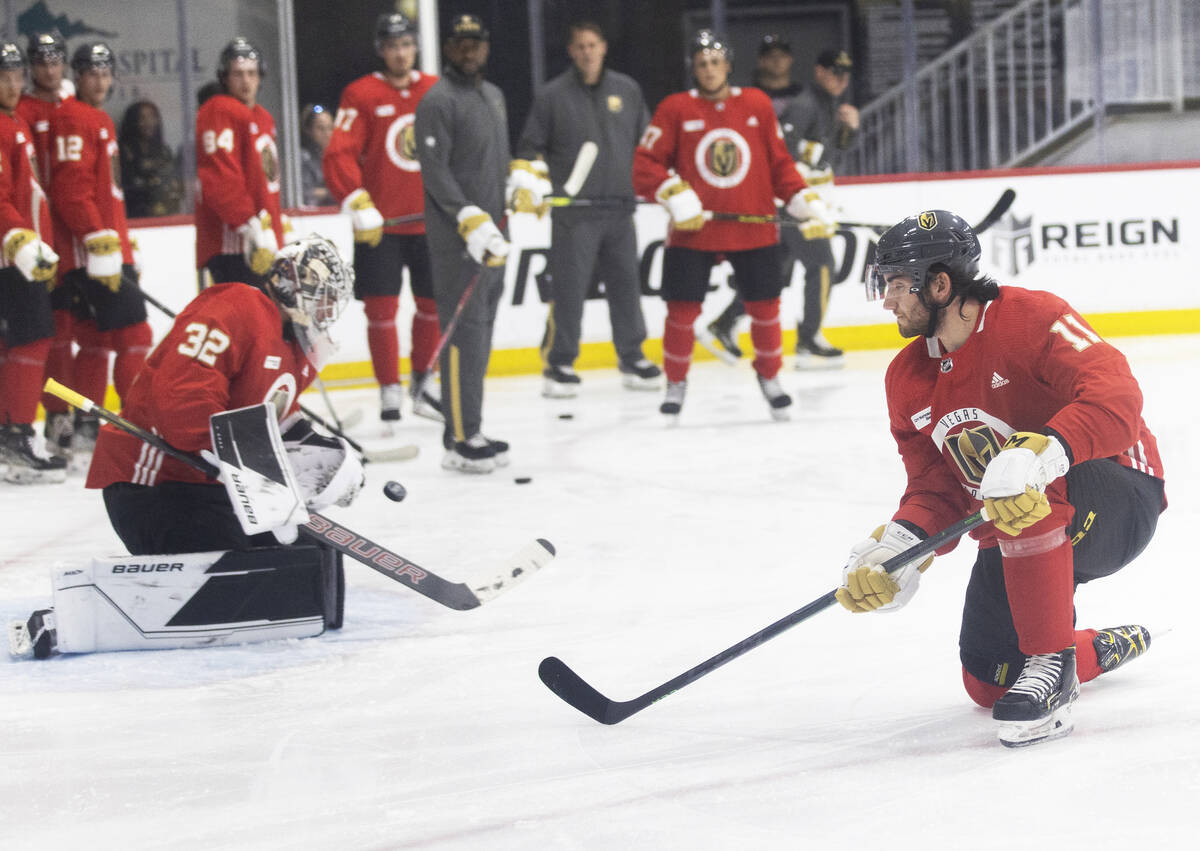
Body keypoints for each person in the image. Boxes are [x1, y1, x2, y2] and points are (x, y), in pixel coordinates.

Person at [835, 210, 1164, 747]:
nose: (888, 301)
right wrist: (900, 546)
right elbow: (937, 487)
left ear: (940, 285)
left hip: (1118, 498)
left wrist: (1045, 451)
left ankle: (1052, 667)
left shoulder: (1033, 318)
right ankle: (1089, 650)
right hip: (1016, 520)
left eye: (896, 285)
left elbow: (1117, 399)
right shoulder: (905, 378)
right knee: (990, 679)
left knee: (1017, 472)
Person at [10, 236, 358, 659]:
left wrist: (322, 460)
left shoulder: (296, 348)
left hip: (210, 490)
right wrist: (251, 473)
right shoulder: (238, 306)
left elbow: (276, 420)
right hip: (155, 489)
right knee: (249, 576)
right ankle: (78, 615)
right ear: (290, 284)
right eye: (322, 295)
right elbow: (182, 403)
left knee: (309, 562)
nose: (327, 309)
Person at [631, 30, 833, 420]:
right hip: (694, 231)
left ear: (727, 65)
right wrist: (672, 192)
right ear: (694, 69)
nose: (709, 69)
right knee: (681, 312)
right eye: (701, 63)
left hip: (753, 227)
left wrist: (803, 199)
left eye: (715, 62)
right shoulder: (675, 108)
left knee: (765, 308)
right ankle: (675, 383)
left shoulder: (756, 103)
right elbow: (645, 165)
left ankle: (770, 378)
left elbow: (779, 164)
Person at [515, 20, 660, 399]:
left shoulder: (627, 90)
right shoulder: (552, 96)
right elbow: (530, 148)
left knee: (626, 286)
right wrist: (536, 182)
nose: (587, 52)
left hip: (620, 209)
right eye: (580, 46)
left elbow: (647, 146)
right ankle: (559, 361)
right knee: (569, 290)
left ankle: (632, 356)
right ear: (571, 51)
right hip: (574, 214)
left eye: (592, 45)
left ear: (604, 47)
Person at [705, 48, 859, 369]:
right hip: (797, 204)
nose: (841, 79)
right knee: (822, 265)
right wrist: (810, 160)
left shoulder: (828, 104)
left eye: (845, 74)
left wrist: (850, 129)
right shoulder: (804, 105)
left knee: (773, 273)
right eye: (835, 72)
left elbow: (833, 150)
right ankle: (809, 340)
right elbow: (781, 150)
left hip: (806, 202)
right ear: (819, 71)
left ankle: (724, 323)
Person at [323, 12, 442, 424]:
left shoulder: (435, 90)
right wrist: (357, 201)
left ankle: (424, 379)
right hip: (381, 227)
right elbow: (338, 152)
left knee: (433, 304)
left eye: (406, 45)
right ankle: (389, 386)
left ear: (416, 48)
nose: (400, 54)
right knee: (381, 309)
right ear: (381, 51)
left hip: (430, 221)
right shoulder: (361, 94)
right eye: (392, 47)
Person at [414, 13, 512, 473]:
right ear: (449, 48)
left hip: (495, 239)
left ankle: (470, 427)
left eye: (476, 43)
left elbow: (494, 163)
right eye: (461, 43)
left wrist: (519, 185)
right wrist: (467, 217)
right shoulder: (437, 101)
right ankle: (457, 439)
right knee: (463, 337)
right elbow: (435, 172)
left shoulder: (493, 96)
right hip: (459, 242)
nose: (469, 51)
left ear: (486, 47)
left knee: (481, 336)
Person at [47, 43, 153, 453]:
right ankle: (137, 423)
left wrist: (119, 241)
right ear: (77, 75)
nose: (101, 81)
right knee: (134, 335)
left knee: (95, 340)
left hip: (104, 247)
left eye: (106, 73)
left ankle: (87, 427)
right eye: (92, 73)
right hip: (92, 253)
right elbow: (70, 190)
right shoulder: (74, 116)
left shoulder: (98, 118)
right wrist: (96, 237)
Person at [0, 41, 64, 483]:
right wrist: (20, 237)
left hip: (20, 252)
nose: (12, 84)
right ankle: (18, 434)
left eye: (16, 75)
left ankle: (11, 434)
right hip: (11, 255)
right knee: (33, 337)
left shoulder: (15, 120)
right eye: (3, 77)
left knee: (17, 342)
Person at [16, 31, 74, 456]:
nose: (49, 70)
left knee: (64, 330)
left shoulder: (71, 108)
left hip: (66, 237)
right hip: (30, 237)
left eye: (55, 62)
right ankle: (29, 419)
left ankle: (62, 415)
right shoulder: (19, 111)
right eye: (41, 62)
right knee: (37, 333)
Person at [194, 36, 284, 290]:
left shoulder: (263, 117)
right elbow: (220, 176)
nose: (246, 81)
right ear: (225, 77)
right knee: (245, 311)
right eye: (238, 74)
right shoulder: (219, 110)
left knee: (268, 311)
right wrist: (248, 223)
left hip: (261, 236)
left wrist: (273, 222)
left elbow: (265, 178)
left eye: (251, 73)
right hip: (232, 243)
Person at [118, 100, 184, 217]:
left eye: (152, 117)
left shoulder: (164, 151)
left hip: (164, 214)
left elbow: (174, 181)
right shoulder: (122, 151)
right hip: (134, 214)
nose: (148, 122)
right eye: (142, 118)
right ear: (133, 121)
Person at [752, 34, 801, 108]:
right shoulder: (750, 95)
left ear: (790, 59)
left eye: (782, 56)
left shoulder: (803, 96)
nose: (777, 60)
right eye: (771, 56)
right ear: (761, 61)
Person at [299, 103, 332, 206]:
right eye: (321, 128)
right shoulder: (302, 158)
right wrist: (330, 193)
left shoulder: (336, 157)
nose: (327, 133)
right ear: (308, 130)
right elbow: (303, 192)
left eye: (330, 128)